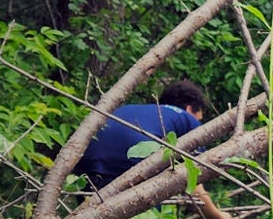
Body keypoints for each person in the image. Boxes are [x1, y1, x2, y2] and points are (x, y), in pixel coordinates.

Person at [78, 79, 230, 219]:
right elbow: (192, 182)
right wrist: (218, 215)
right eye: (199, 117)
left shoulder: (131, 109)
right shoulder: (187, 118)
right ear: (190, 109)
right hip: (131, 167)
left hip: (85, 168)